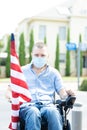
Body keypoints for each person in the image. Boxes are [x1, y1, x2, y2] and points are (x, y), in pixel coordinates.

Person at [6, 42, 75, 130]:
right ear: (32, 55)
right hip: (28, 106)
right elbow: (9, 90)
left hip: (48, 105)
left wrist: (68, 93)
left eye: (42, 55)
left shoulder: (53, 73)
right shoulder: (22, 71)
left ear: (47, 56)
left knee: (53, 112)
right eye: (36, 55)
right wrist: (10, 97)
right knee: (33, 112)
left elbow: (62, 93)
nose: (39, 57)